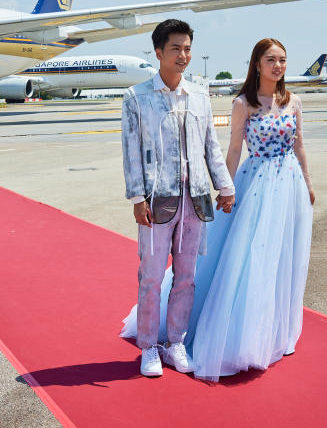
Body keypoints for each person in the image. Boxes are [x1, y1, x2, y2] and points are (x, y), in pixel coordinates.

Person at [120, 37, 315, 382]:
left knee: (282, 261)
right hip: (247, 188)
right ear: (257, 63)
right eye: (272, 59)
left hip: (288, 188)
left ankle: (275, 333)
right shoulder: (240, 103)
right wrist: (139, 197)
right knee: (164, 273)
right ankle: (153, 344)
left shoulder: (290, 101)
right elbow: (230, 149)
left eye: (283, 60)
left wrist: (308, 184)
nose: (279, 66)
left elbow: (295, 145)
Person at [120, 19, 235, 378]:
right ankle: (149, 347)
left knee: (186, 276)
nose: (183, 55)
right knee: (151, 276)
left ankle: (176, 343)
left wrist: (225, 186)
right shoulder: (136, 97)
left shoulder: (200, 95)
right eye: (176, 48)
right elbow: (131, 152)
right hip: (157, 201)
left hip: (195, 200)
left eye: (187, 48)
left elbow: (210, 147)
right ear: (158, 52)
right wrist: (137, 197)